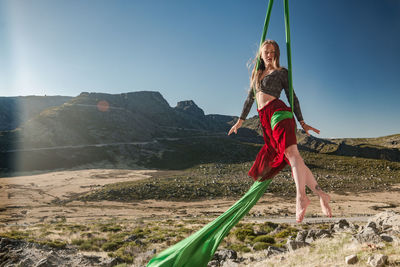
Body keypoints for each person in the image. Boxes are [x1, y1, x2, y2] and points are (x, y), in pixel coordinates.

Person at [228, 40, 332, 223]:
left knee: (292, 154)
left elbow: (293, 97)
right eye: (266, 52)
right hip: (265, 120)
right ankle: (321, 194)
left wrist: (302, 121)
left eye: (273, 52)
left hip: (278, 112)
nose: (269, 55)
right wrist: (240, 121)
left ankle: (301, 198)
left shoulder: (281, 72)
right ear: (261, 54)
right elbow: (249, 99)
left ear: (276, 54)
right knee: (294, 159)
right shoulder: (257, 74)